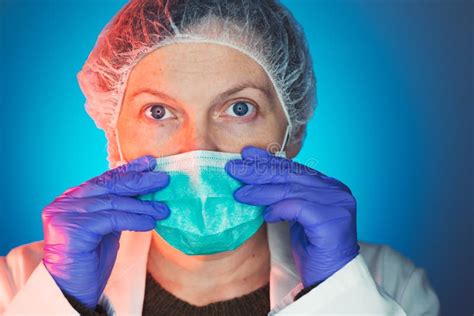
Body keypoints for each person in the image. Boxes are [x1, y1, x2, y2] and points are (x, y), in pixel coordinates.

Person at [0, 0, 440, 315]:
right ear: (114, 136)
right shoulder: (18, 286)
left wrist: (337, 296)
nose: (198, 148)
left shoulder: (390, 285)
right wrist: (62, 303)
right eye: (159, 112)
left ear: (291, 132)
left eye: (239, 108)